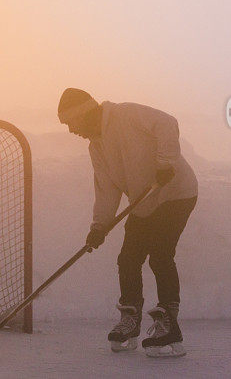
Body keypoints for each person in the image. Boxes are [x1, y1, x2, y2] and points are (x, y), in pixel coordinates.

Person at [57, 88, 198, 357]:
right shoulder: (96, 147)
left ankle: (168, 324)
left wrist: (166, 162)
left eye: (71, 123)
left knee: (160, 255)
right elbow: (107, 189)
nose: (71, 130)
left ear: (84, 113)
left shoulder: (126, 114)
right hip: (144, 201)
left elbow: (167, 123)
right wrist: (99, 226)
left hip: (175, 192)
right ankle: (130, 320)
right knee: (128, 259)